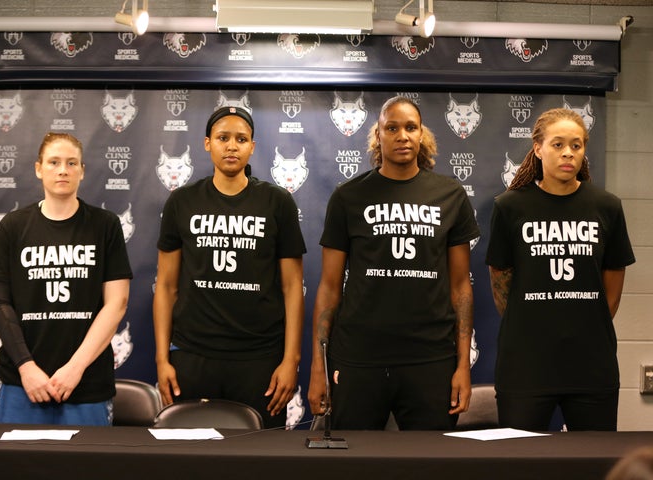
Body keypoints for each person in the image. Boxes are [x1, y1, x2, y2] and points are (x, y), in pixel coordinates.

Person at [307, 96, 479, 430]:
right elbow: (329, 287)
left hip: (430, 358)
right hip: (358, 357)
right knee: (354, 461)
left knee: (429, 465)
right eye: (392, 128)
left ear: (421, 135)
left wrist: (463, 366)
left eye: (410, 127)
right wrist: (319, 367)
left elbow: (461, 286)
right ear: (378, 136)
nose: (402, 135)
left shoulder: (450, 195)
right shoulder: (348, 197)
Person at [153, 106, 306, 429]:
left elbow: (293, 287)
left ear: (252, 146)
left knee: (259, 459)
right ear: (208, 143)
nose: (232, 146)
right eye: (223, 138)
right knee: (191, 461)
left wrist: (291, 359)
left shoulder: (277, 202)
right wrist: (162, 358)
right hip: (193, 355)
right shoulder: (182, 201)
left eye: (241, 139)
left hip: (259, 356)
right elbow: (166, 286)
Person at [486, 108, 636, 431]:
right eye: (558, 145)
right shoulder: (509, 206)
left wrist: (583, 326)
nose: (568, 152)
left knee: (594, 465)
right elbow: (501, 285)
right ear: (538, 148)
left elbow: (611, 287)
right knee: (519, 464)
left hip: (591, 366)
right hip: (525, 365)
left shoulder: (607, 207)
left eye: (577, 145)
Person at [0, 132, 132, 426]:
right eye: (54, 162)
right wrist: (27, 368)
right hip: (24, 384)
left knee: (84, 470)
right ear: (39, 168)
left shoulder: (105, 225)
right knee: (16, 470)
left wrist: (75, 368)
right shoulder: (13, 226)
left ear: (82, 171)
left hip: (85, 383)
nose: (63, 169)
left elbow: (117, 304)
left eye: (71, 163)